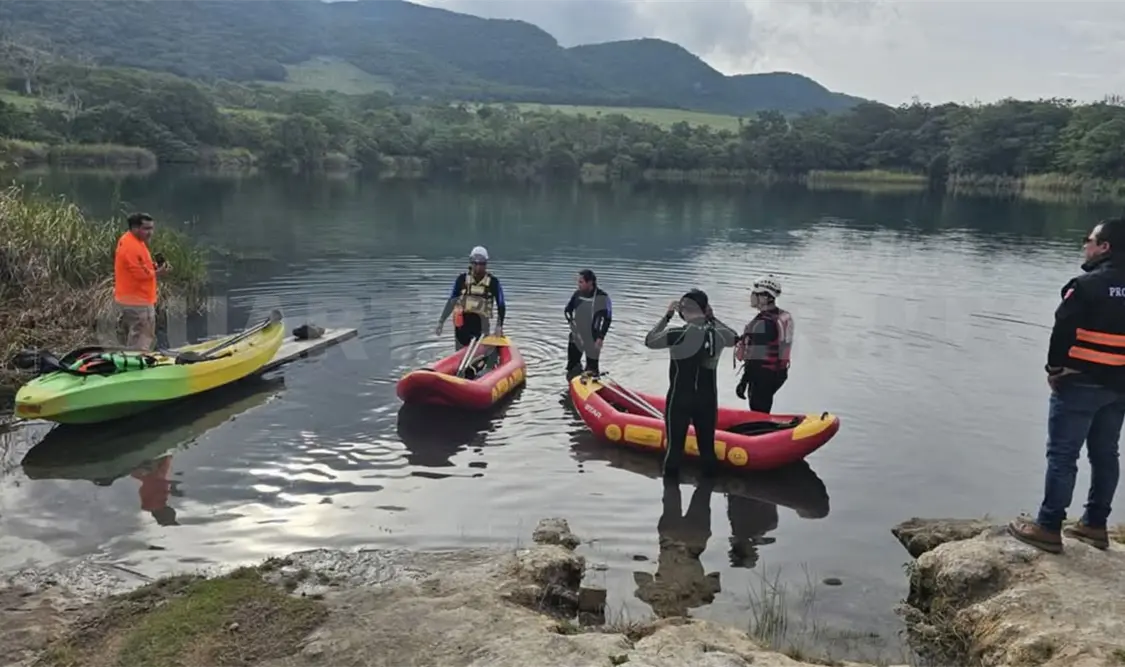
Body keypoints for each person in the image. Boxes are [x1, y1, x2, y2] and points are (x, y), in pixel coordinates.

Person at [1008, 217, 1125, 554]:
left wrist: (1054, 369)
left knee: (1063, 455)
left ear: (1105, 247)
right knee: (1106, 454)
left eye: (1089, 240)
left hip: (1079, 382)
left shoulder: (1086, 286)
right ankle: (1094, 525)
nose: (1085, 246)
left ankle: (1047, 527)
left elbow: (1062, 331)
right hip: (1119, 387)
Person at [644, 289, 740, 478]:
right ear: (706, 309)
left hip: (680, 398)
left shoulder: (676, 333)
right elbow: (735, 337)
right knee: (707, 451)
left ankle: (671, 500)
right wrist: (712, 318)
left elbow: (650, 340)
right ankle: (706, 496)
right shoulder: (719, 335)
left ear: (682, 310)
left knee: (674, 451)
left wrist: (667, 316)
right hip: (707, 400)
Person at [734, 275, 793, 413]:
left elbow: (755, 358)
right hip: (779, 373)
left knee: (758, 410)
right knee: (764, 406)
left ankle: (761, 431)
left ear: (766, 297)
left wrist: (744, 382)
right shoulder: (781, 316)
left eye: (755, 293)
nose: (751, 296)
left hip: (762, 376)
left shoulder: (763, 324)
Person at [114, 212, 169, 351]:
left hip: (135, 299)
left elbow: (140, 266)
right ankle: (137, 365)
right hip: (137, 301)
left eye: (152, 228)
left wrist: (154, 267)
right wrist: (159, 272)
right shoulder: (131, 246)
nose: (150, 232)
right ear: (135, 228)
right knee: (141, 337)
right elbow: (139, 274)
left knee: (139, 335)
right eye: (146, 229)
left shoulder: (135, 241)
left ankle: (135, 359)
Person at [436, 245, 506, 351]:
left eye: (481, 263)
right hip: (463, 325)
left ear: (486, 264)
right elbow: (452, 301)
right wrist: (441, 322)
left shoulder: (493, 282)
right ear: (471, 263)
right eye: (475, 263)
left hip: (482, 325)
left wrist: (499, 326)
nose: (478, 267)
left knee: (480, 356)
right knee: (460, 352)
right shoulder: (462, 280)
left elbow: (501, 304)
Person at [564, 269, 612, 377]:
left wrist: (600, 337)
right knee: (572, 367)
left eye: (581, 282)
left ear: (590, 283)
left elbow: (607, 319)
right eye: (578, 282)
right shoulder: (577, 295)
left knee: (592, 371)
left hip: (593, 338)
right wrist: (574, 330)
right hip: (576, 336)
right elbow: (567, 311)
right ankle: (571, 385)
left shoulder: (602, 298)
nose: (578, 285)